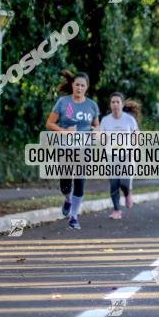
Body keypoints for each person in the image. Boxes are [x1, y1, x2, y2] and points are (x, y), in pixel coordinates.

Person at [45, 70, 100, 230]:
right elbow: (49, 124)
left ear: (87, 87)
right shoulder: (63, 102)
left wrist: (96, 132)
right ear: (72, 85)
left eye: (83, 85)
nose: (79, 88)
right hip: (65, 147)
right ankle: (68, 199)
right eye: (77, 85)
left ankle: (74, 216)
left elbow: (96, 125)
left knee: (80, 180)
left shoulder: (92, 105)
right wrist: (65, 131)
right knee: (65, 183)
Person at [99, 93, 140, 219]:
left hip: (127, 154)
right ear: (110, 105)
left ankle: (127, 193)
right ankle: (117, 210)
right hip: (111, 155)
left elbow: (136, 136)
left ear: (122, 104)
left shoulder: (129, 119)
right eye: (113, 102)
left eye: (117, 102)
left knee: (124, 182)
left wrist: (134, 149)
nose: (115, 104)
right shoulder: (105, 120)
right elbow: (102, 139)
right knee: (114, 184)